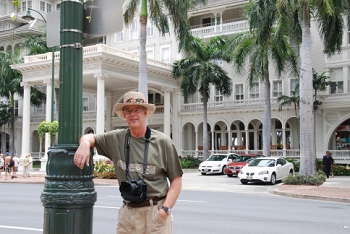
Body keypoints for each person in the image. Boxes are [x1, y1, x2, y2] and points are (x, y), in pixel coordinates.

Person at [74, 91, 183, 234]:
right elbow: (89, 137)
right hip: (128, 213)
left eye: (137, 110)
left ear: (145, 112)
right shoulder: (117, 138)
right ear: (124, 115)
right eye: (128, 110)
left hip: (155, 212)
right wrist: (84, 144)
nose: (132, 114)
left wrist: (165, 209)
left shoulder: (163, 142)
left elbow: (176, 179)